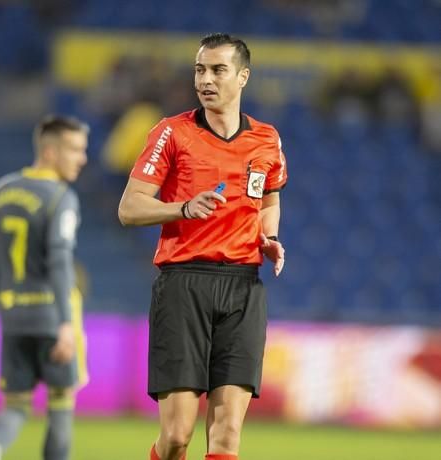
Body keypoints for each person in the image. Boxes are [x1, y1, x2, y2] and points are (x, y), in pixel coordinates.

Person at [118, 33, 287, 460]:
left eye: (217, 70)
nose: (205, 79)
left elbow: (269, 195)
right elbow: (129, 207)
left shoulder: (267, 139)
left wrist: (268, 236)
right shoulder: (171, 132)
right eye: (199, 70)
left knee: (227, 434)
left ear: (242, 77)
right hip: (183, 284)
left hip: (243, 288)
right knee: (177, 437)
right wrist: (183, 208)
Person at [0, 115, 89, 460]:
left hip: (14, 314)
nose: (82, 158)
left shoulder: (1, 190)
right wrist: (66, 324)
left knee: (15, 403)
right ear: (50, 152)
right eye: (74, 150)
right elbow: (59, 261)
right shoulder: (61, 198)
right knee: (60, 405)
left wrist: (9, 303)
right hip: (53, 316)